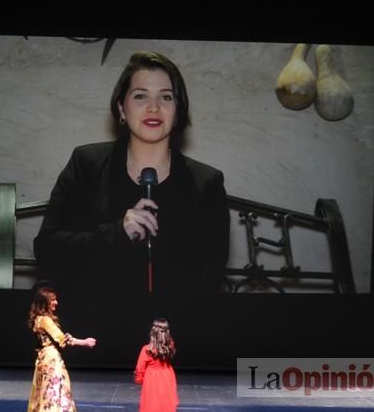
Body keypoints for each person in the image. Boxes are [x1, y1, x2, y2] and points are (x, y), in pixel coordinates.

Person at [34, 51, 230, 310]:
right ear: (120, 108)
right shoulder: (87, 163)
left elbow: (209, 276)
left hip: (171, 330)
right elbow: (48, 249)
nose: (153, 107)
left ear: (178, 110)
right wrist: (117, 233)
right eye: (140, 96)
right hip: (92, 319)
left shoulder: (207, 182)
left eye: (166, 97)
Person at [27, 285, 96, 412]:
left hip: (44, 359)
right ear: (45, 302)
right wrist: (84, 342)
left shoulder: (38, 319)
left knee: (44, 392)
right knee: (55, 392)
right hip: (52, 361)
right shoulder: (45, 320)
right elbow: (61, 339)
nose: (56, 303)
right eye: (52, 300)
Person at [134, 318, 179, 412]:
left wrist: (139, 379)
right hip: (167, 375)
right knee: (165, 402)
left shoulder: (147, 349)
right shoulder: (170, 346)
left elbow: (140, 369)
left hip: (152, 378)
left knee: (152, 403)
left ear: (153, 332)